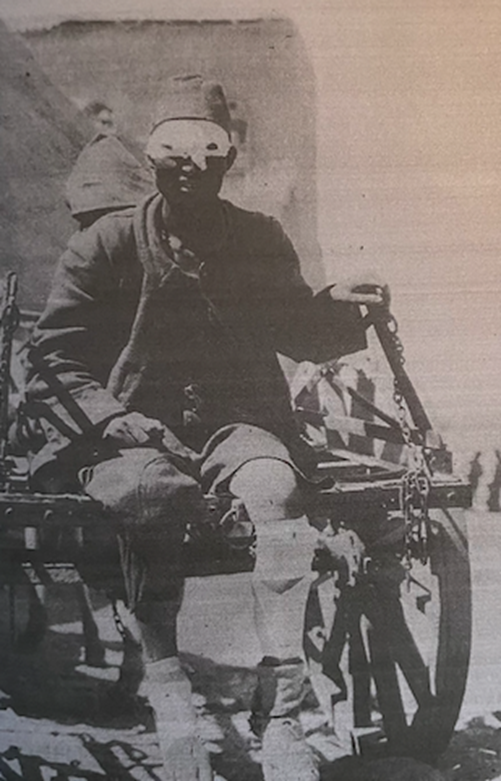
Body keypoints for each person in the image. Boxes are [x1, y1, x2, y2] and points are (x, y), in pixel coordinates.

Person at [24, 74, 388, 781]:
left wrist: (339, 308)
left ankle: (279, 715)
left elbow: (294, 324)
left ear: (229, 159)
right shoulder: (103, 246)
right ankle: (170, 692)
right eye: (171, 149)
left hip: (236, 422)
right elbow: (54, 356)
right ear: (152, 157)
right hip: (128, 431)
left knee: (277, 496)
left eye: (207, 148)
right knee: (147, 499)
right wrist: (113, 418)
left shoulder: (258, 239)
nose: (188, 165)